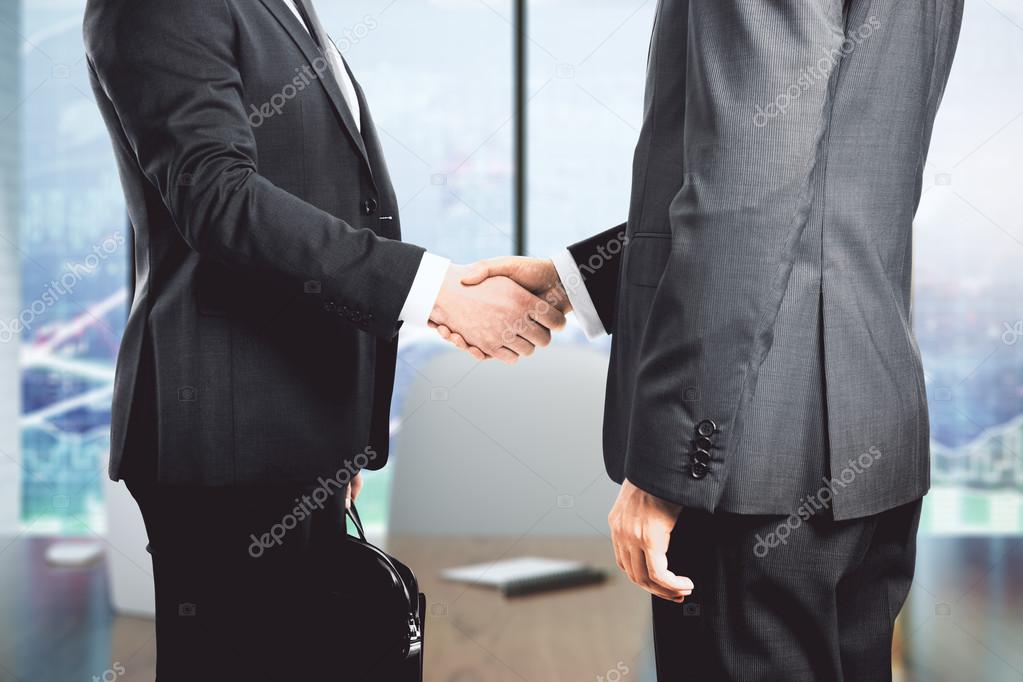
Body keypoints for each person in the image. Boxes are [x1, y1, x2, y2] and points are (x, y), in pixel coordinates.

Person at [439, 0, 965, 678]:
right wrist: (576, 278)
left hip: (755, 466)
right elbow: (820, 184)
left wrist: (669, 475)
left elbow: (750, 193)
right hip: (864, 436)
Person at [83, 0, 565, 678]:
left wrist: (335, 440)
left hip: (295, 423)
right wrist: (434, 292)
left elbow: (322, 191)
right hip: (229, 432)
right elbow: (218, 199)